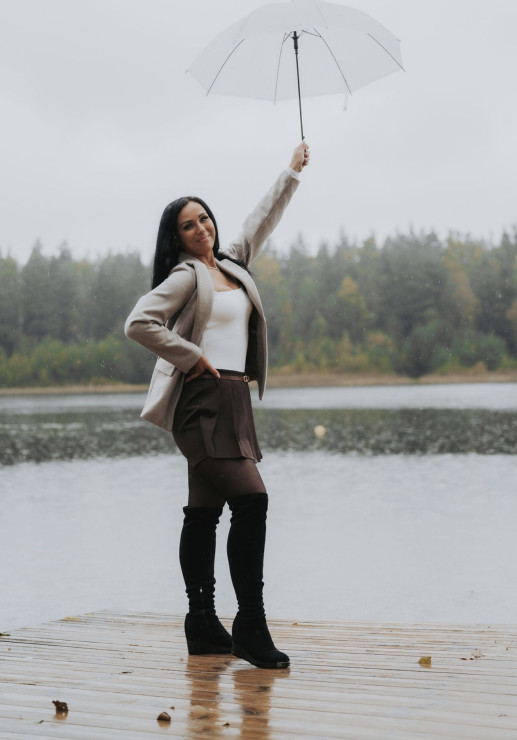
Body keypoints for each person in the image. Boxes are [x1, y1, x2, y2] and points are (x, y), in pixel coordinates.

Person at [125, 142, 310, 669]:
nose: (201, 228)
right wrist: (191, 356)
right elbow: (138, 323)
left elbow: (261, 218)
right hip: (200, 402)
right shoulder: (186, 277)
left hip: (234, 398)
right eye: (188, 225)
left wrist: (290, 172)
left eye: (204, 218)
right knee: (252, 501)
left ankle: (202, 624)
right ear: (176, 238)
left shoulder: (232, 263)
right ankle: (250, 623)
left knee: (204, 512)